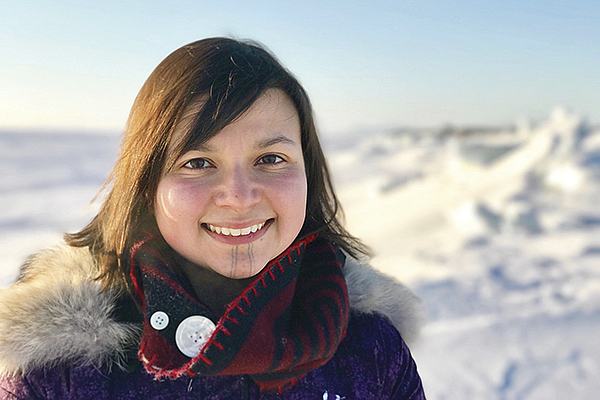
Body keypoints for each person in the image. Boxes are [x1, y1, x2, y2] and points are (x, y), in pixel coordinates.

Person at [0, 38, 426, 399]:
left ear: (307, 175)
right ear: (147, 184)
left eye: (271, 158)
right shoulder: (59, 370)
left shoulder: (369, 345)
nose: (239, 198)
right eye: (198, 162)